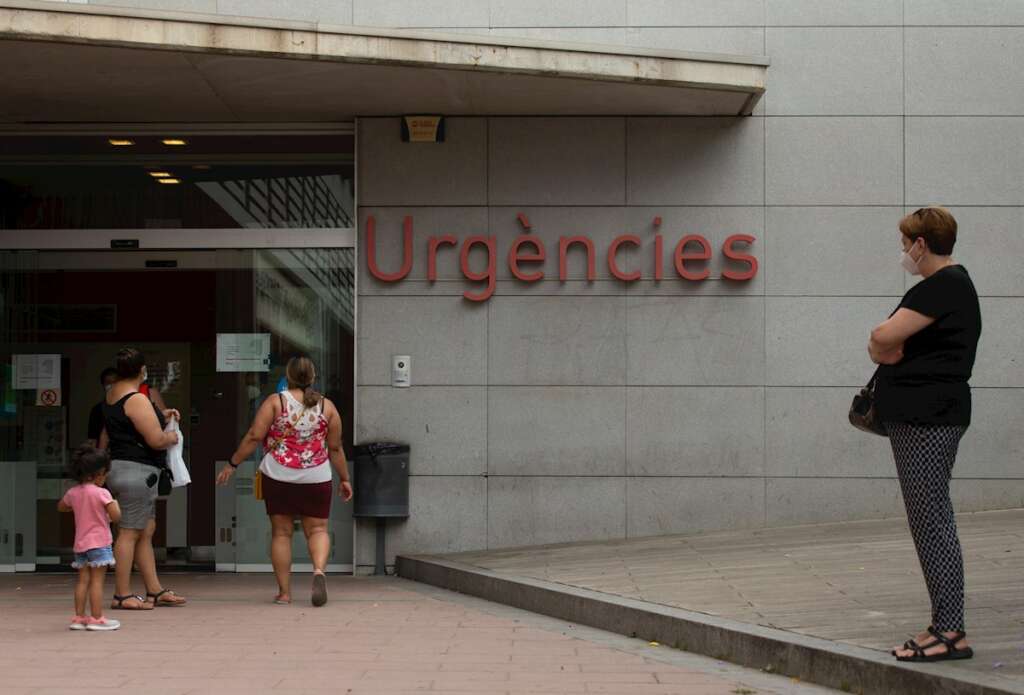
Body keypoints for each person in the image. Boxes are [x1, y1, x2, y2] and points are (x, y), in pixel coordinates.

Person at [867, 207, 981, 663]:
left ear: (921, 244)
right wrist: (886, 346)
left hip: (926, 417)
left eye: (905, 242)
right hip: (927, 413)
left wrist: (885, 345)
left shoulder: (942, 286)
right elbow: (885, 343)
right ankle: (945, 625)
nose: (902, 250)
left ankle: (950, 631)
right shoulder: (949, 286)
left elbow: (881, 338)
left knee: (931, 519)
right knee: (929, 518)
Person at [217, 356, 353, 607]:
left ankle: (284, 593)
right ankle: (319, 572)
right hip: (316, 475)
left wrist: (232, 464)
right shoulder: (328, 407)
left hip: (279, 474)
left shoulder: (275, 402)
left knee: (281, 533)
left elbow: (254, 436)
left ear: (288, 377)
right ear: (313, 377)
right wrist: (344, 478)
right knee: (319, 530)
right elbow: (335, 448)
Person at [98, 347, 187, 609]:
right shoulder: (136, 398)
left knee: (144, 531)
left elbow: (133, 425)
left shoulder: (112, 394)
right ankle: (122, 594)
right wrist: (173, 437)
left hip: (123, 468)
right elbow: (156, 440)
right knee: (128, 532)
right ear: (142, 370)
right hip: (136, 472)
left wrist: (164, 415)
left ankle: (154, 590)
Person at [58, 443, 122, 631]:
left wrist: (76, 508)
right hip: (99, 543)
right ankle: (97, 618)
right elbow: (116, 516)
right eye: (106, 474)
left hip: (81, 543)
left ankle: (79, 617)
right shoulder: (102, 493)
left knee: (83, 580)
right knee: (97, 581)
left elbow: (61, 506)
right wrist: (114, 505)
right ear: (99, 473)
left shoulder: (73, 492)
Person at [86, 367, 118, 444]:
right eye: (108, 382)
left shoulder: (128, 406)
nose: (111, 385)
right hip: (102, 452)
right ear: (103, 385)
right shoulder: (97, 410)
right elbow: (92, 438)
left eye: (115, 382)